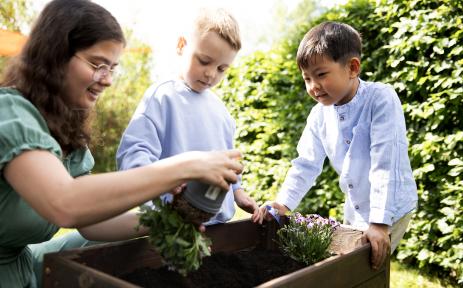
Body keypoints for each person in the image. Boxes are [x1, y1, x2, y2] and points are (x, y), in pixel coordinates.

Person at [0, 1, 243, 287]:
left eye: (112, 68)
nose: (107, 80)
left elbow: (90, 222)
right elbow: (64, 202)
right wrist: (185, 166)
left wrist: (167, 219)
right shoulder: (10, 114)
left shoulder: (67, 137)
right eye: (97, 64)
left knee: (97, 250)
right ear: (55, 54)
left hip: (22, 266)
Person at [252, 21, 418, 270]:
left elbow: (386, 162)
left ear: (352, 68)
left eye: (321, 75)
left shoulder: (381, 99)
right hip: (356, 204)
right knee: (351, 266)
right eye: (306, 78)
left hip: (391, 206)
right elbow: (305, 164)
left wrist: (380, 223)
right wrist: (283, 203)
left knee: (364, 266)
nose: (313, 87)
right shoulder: (319, 115)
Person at [116, 7, 258, 225]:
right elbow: (134, 154)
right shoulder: (163, 96)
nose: (211, 73)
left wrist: (237, 190)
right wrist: (162, 186)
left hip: (217, 230)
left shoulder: (221, 112)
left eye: (222, 69)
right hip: (172, 224)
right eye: (204, 61)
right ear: (182, 46)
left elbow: (227, 163)